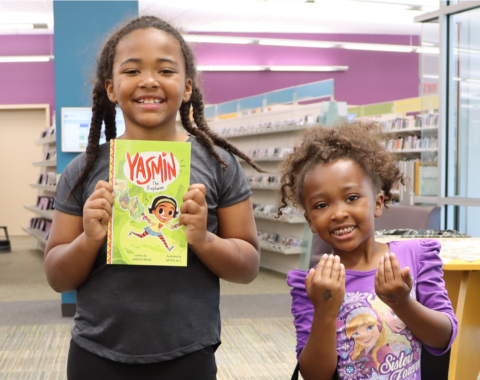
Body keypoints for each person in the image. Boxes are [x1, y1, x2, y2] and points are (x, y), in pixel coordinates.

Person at [44, 15, 263, 380]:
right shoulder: (84, 170)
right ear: (111, 88)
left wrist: (204, 239)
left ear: (187, 86)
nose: (149, 81)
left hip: (188, 351)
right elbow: (56, 276)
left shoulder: (220, 166)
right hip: (97, 352)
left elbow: (249, 266)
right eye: (132, 71)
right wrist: (90, 238)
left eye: (165, 70)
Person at [279, 121, 458, 380]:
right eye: (321, 205)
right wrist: (326, 311)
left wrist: (403, 302)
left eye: (352, 198)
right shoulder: (312, 283)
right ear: (310, 222)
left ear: (377, 203)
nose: (339, 213)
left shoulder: (416, 256)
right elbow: (314, 375)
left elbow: (444, 339)